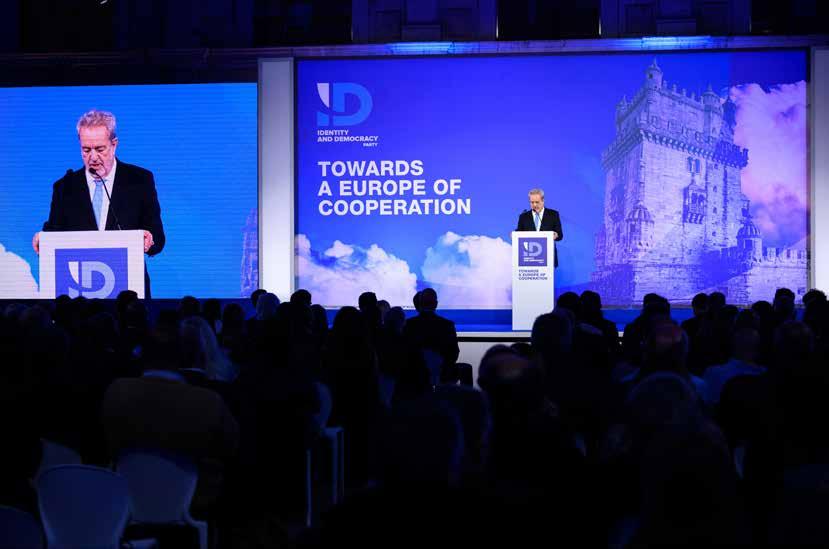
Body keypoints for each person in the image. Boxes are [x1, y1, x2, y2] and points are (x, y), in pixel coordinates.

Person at [32, 109, 165, 296]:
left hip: (129, 293)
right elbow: (55, 231)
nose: (93, 157)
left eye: (100, 149)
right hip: (78, 292)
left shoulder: (139, 180)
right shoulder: (65, 187)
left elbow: (158, 236)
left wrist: (149, 240)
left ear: (114, 144)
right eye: (86, 150)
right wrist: (44, 240)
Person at [515, 188, 563, 267]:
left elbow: (560, 235)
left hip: (548, 257)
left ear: (543, 200)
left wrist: (556, 235)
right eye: (532, 202)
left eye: (537, 202)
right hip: (529, 258)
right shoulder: (523, 217)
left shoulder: (553, 215)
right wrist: (514, 234)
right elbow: (519, 233)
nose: (534, 205)